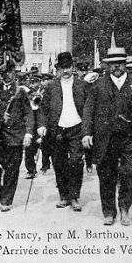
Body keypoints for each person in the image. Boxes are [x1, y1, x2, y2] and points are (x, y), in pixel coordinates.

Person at [82, 40, 132, 226]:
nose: (117, 67)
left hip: (130, 137)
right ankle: (109, 212)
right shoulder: (98, 86)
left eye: (120, 63)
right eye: (113, 64)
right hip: (106, 138)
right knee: (106, 176)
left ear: (125, 64)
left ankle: (125, 207)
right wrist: (87, 133)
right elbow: (88, 110)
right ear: (107, 65)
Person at [0, 70, 35, 212]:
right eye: (3, 72)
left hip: (14, 134)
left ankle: (6, 199)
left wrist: (28, 133)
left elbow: (28, 113)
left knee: (12, 168)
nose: (6, 75)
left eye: (9, 72)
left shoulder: (21, 92)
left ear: (14, 74)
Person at [37, 52, 88, 211]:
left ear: (73, 67)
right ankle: (64, 196)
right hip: (57, 130)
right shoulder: (51, 86)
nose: (65, 71)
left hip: (76, 128)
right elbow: (43, 109)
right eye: (62, 68)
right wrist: (42, 125)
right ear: (58, 69)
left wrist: (88, 129)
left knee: (75, 162)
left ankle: (74, 196)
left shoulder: (82, 85)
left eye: (68, 67)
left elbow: (88, 108)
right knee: (59, 163)